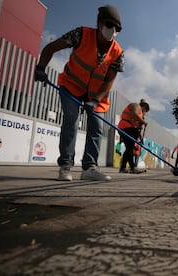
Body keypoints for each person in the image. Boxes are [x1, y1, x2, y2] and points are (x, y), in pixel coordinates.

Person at [34, 5, 124, 181]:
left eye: (117, 28)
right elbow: (51, 47)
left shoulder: (118, 53)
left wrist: (96, 100)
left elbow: (108, 81)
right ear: (99, 23)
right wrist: (40, 67)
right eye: (109, 25)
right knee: (71, 121)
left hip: (96, 96)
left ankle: (90, 168)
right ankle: (65, 166)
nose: (112, 30)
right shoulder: (81, 34)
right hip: (71, 86)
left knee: (96, 128)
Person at [118, 99, 149, 173]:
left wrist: (141, 138)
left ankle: (123, 168)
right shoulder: (136, 106)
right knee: (130, 149)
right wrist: (143, 121)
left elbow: (138, 128)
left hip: (128, 129)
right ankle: (132, 167)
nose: (144, 112)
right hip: (126, 128)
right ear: (144, 106)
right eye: (145, 110)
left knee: (129, 149)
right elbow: (134, 114)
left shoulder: (140, 115)